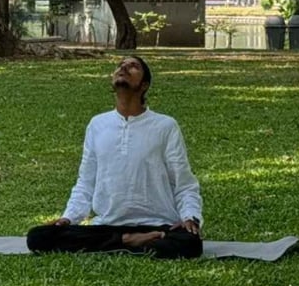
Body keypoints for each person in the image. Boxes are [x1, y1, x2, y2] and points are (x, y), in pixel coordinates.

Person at [26, 55, 204, 259]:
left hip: (157, 224)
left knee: (190, 243)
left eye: (133, 66)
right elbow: (86, 182)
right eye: (121, 65)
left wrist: (191, 217)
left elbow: (184, 182)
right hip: (108, 226)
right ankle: (128, 241)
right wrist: (68, 218)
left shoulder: (165, 126)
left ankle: (122, 243)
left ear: (144, 85)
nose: (124, 68)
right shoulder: (97, 125)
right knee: (37, 237)